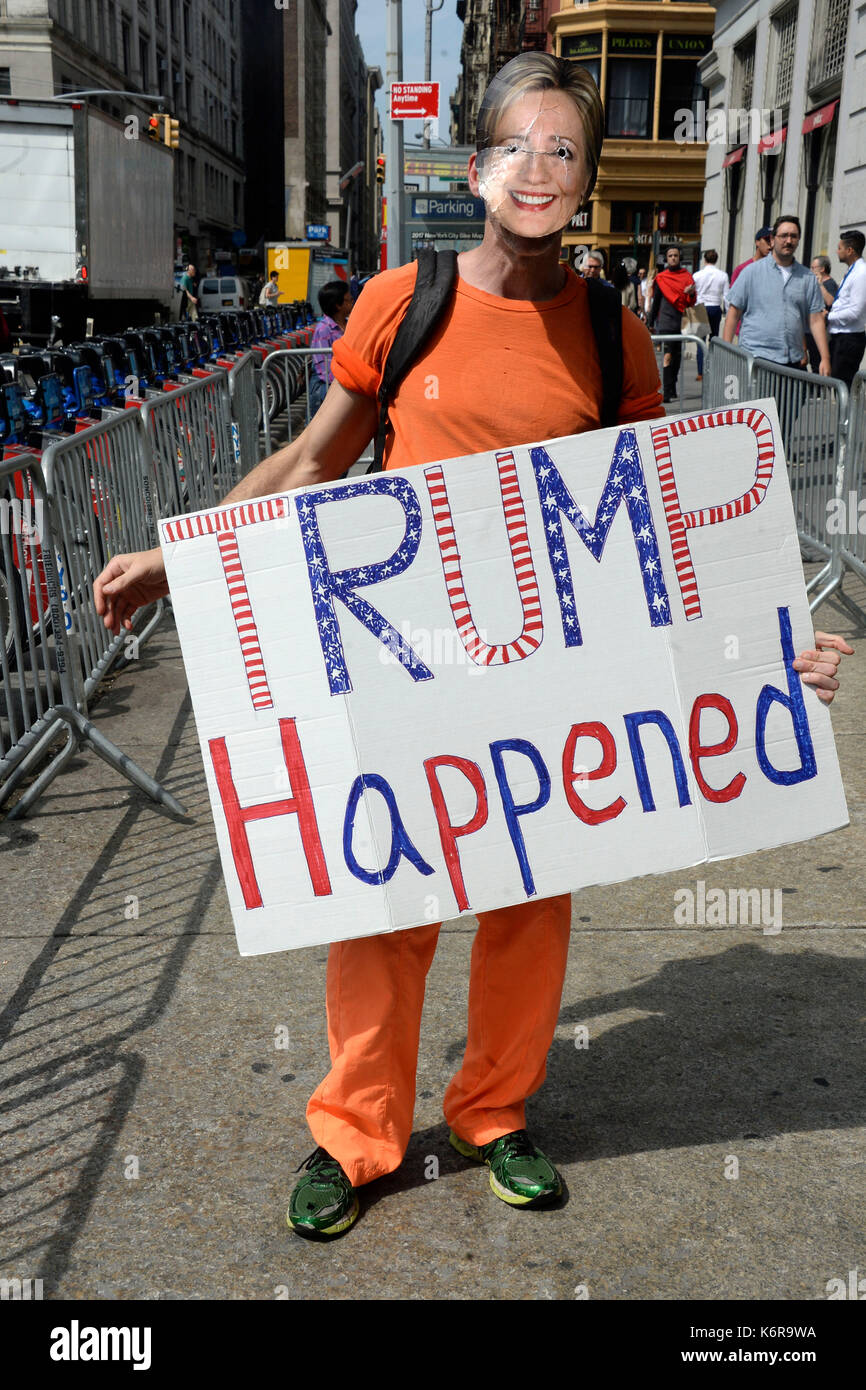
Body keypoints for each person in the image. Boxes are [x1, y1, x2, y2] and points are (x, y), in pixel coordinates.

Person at [92, 52, 851, 1243]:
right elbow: (309, 464)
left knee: (528, 904)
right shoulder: (406, 302)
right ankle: (355, 1131)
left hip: (548, 685)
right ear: (477, 160)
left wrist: (767, 640)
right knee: (383, 905)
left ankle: (493, 1112)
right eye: (517, 146)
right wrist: (175, 556)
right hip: (406, 669)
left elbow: (656, 518)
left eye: (563, 152)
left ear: (587, 179)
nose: (538, 170)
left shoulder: (611, 333)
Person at [723, 214, 829, 373]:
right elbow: (734, 312)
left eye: (794, 236)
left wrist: (825, 358)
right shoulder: (751, 272)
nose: (788, 240)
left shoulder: (807, 277)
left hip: (792, 360)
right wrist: (726, 351)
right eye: (784, 236)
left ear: (799, 240)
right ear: (772, 240)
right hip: (757, 359)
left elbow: (815, 320)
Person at [646, 244, 696, 402]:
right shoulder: (661, 278)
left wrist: (691, 293)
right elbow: (656, 302)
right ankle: (666, 392)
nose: (673, 258)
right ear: (666, 259)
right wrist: (650, 321)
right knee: (667, 356)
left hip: (683, 321)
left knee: (677, 357)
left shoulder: (687, 277)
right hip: (666, 322)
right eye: (670, 256)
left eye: (675, 255)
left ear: (679, 257)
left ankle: (672, 385)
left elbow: (692, 302)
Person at [826, 229, 866, 387]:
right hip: (840, 337)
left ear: (850, 251)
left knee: (844, 386)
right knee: (838, 385)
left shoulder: (861, 273)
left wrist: (827, 316)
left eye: (839, 248)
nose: (837, 251)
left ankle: (847, 412)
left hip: (849, 339)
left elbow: (856, 310)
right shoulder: (852, 270)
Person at [308, 280, 352, 416]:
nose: (353, 302)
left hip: (345, 386)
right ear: (338, 305)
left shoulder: (351, 324)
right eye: (349, 300)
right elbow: (324, 370)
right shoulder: (323, 329)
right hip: (329, 391)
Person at [692, 249, 729, 378]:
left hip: (700, 306)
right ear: (716, 260)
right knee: (713, 339)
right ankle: (712, 368)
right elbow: (726, 296)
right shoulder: (723, 275)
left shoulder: (696, 275)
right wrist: (728, 311)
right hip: (715, 307)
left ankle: (700, 372)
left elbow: (692, 293)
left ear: (705, 260)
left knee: (700, 341)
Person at [805, 255, 838, 374]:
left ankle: (818, 391)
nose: (811, 270)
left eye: (814, 267)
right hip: (809, 330)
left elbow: (830, 301)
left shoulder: (829, 283)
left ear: (822, 269)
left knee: (818, 364)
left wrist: (820, 284)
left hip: (822, 330)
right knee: (812, 362)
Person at [729, 227, 774, 293]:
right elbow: (733, 298)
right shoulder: (742, 269)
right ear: (757, 242)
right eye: (767, 240)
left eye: (773, 241)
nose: (771, 245)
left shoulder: (778, 269)